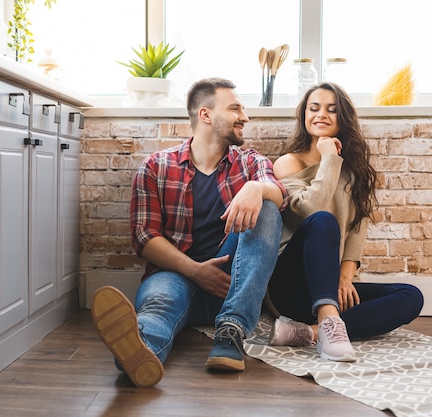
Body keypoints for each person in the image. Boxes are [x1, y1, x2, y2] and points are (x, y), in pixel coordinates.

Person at [91, 77, 287, 387]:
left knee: (267, 208)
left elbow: (280, 195)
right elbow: (144, 237)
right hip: (176, 275)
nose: (245, 117)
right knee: (159, 306)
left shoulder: (251, 163)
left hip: (232, 283)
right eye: (235, 108)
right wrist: (196, 271)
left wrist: (255, 187)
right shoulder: (156, 166)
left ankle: (231, 330)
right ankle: (138, 351)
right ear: (205, 115)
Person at [265, 82, 424, 362]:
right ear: (304, 116)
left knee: (411, 296)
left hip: (330, 283)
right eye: (314, 108)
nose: (321, 114)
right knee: (323, 220)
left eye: (332, 110)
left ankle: (310, 332)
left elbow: (355, 231)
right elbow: (310, 211)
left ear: (343, 119)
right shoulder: (288, 163)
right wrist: (328, 157)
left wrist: (344, 277)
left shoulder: (351, 172)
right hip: (290, 286)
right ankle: (328, 317)